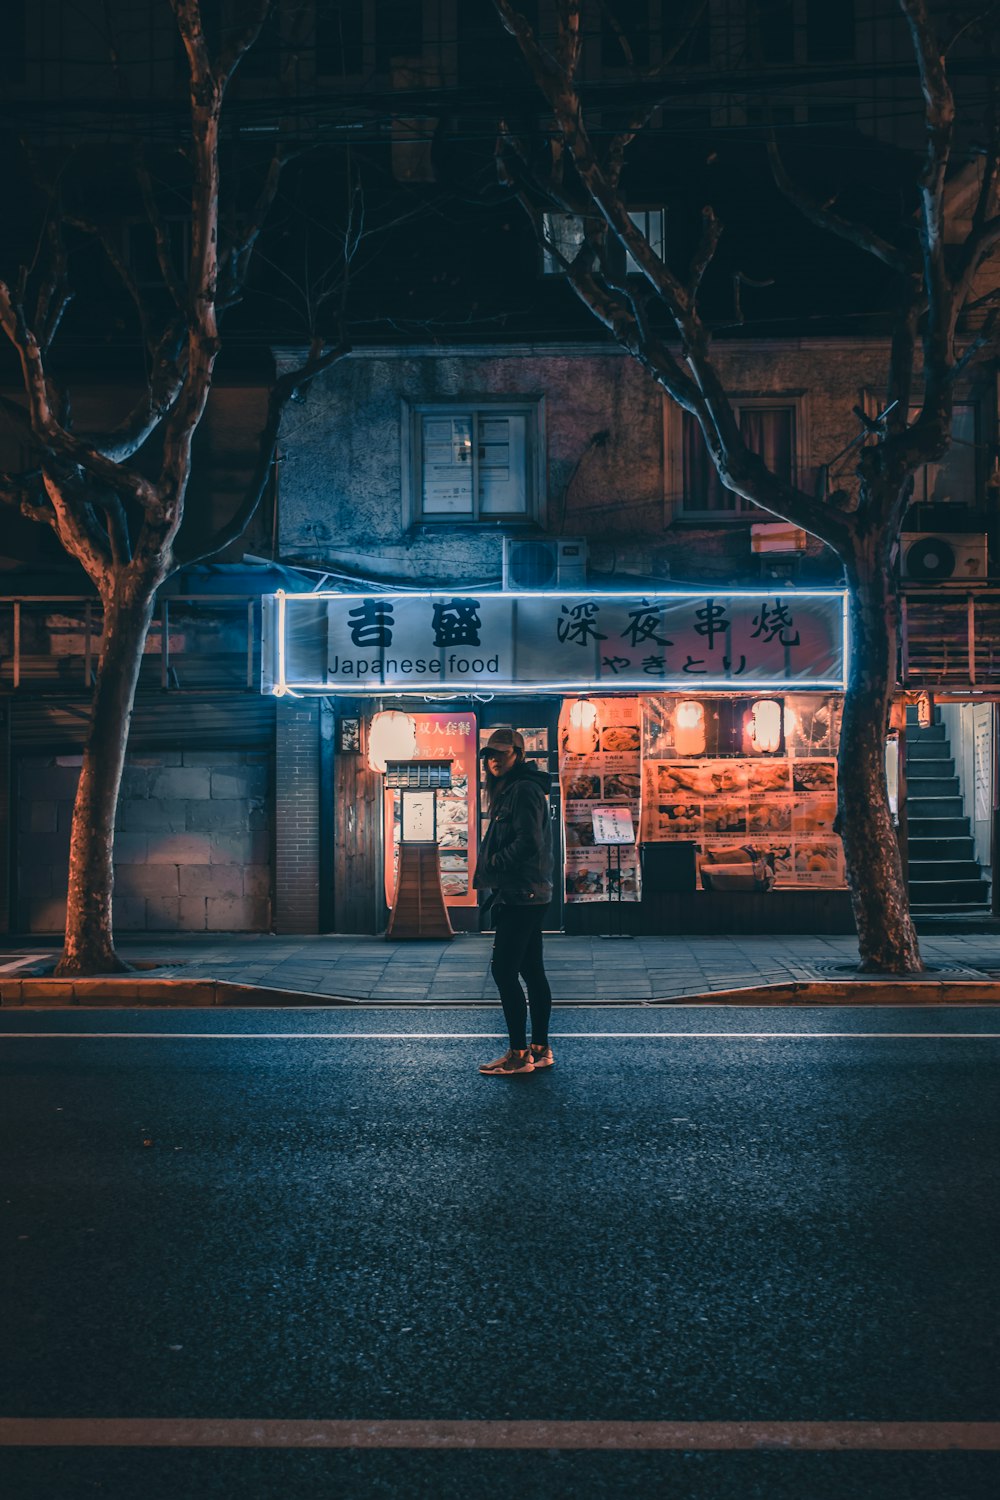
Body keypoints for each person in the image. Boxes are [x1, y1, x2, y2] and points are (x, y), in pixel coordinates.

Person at [474, 728, 554, 1077]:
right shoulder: (516, 789)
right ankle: (539, 1048)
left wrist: (493, 863)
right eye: (489, 755)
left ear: (518, 755)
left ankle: (519, 1055)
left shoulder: (522, 790)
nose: (493, 760)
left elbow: (528, 841)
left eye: (501, 754)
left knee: (503, 970)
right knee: (531, 970)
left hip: (522, 893)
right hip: (527, 892)